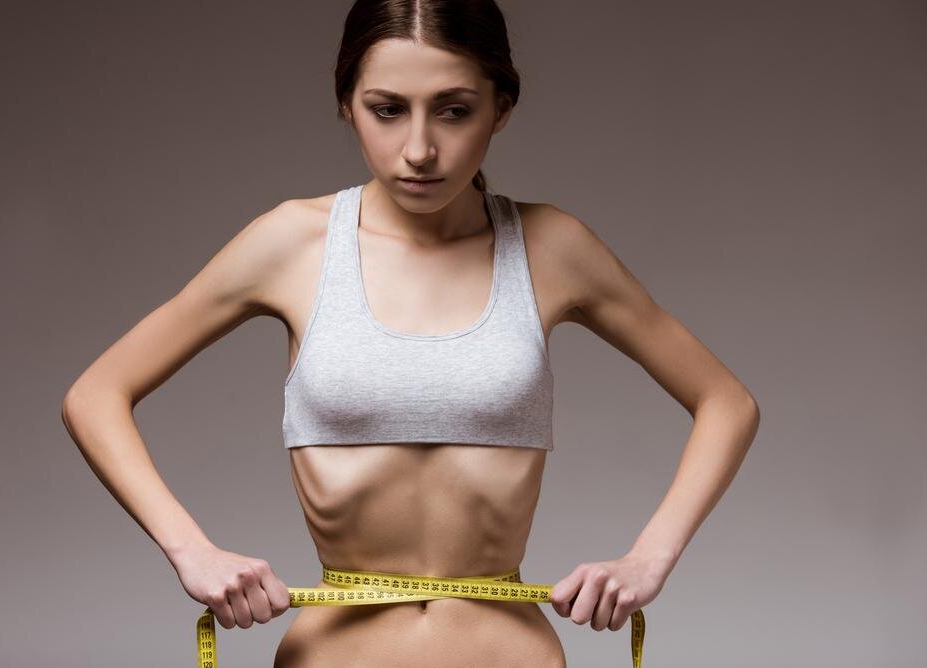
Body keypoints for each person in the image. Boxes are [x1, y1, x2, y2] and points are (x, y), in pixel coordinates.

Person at [62, 1, 760, 666]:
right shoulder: (292, 245)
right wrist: (190, 550)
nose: (420, 149)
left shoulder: (552, 248)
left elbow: (727, 402)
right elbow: (96, 395)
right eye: (387, 109)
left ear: (501, 110)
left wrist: (648, 559)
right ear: (347, 104)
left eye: (454, 110)